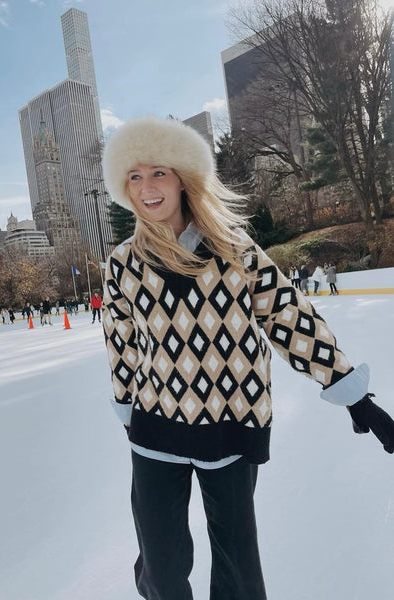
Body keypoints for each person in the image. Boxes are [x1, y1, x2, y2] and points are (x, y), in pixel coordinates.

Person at [101, 116, 394, 600]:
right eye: (134, 176)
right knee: (161, 569)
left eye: (158, 173)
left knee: (237, 568)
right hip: (156, 425)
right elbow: (121, 342)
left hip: (230, 420)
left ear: (181, 178)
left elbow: (289, 317)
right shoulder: (122, 263)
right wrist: (126, 406)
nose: (147, 187)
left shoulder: (234, 250)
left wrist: (353, 395)